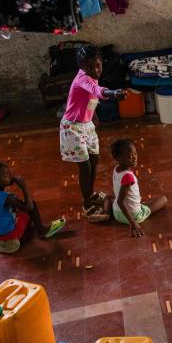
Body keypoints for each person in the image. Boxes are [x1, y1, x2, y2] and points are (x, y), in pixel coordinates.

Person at [60, 44, 126, 222]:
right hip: (73, 127)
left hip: (86, 124)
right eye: (90, 67)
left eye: (98, 65)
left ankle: (90, 194)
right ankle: (87, 205)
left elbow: (91, 97)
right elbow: (97, 90)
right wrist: (113, 93)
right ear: (82, 67)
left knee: (95, 159)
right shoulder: (83, 78)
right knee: (85, 165)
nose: (95, 70)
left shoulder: (91, 77)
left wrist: (93, 114)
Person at [0, 161, 65, 254]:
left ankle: (25, 229)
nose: (10, 177)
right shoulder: (7, 198)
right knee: (31, 205)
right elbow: (29, 207)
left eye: (9, 173)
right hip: (9, 234)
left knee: (18, 206)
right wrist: (24, 186)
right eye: (5, 176)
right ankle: (42, 231)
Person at [110, 139, 167, 237]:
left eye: (135, 154)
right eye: (129, 156)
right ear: (119, 159)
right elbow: (120, 201)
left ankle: (107, 210)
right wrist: (133, 222)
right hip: (133, 216)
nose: (134, 158)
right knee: (163, 199)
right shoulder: (128, 176)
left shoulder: (116, 169)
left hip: (117, 213)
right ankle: (135, 216)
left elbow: (118, 197)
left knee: (111, 197)